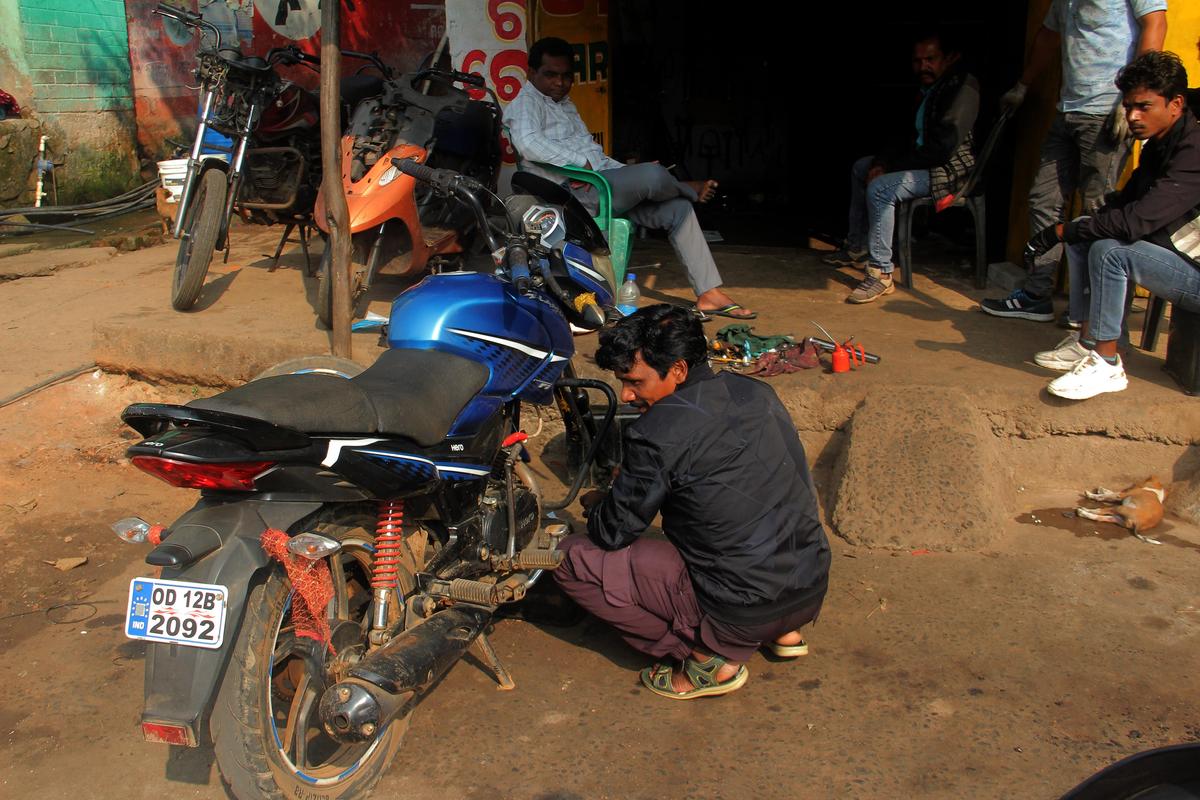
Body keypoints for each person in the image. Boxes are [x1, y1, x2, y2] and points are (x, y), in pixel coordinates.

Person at [553, 304, 831, 699]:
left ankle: (708, 659)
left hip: (742, 607)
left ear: (679, 370)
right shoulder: (754, 391)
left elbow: (614, 533)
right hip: (809, 583)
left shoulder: (656, 431)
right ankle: (783, 631)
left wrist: (604, 503)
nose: (627, 395)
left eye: (634, 382)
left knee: (570, 557)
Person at [504, 37, 756, 320]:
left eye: (565, 76)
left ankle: (709, 293)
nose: (559, 83)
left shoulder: (565, 106)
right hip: (572, 196)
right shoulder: (525, 104)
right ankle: (684, 187)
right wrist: (581, 162)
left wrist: (626, 172)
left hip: (600, 186)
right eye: (550, 75)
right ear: (531, 73)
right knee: (652, 176)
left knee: (677, 209)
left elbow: (596, 157)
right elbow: (527, 143)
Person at [1025, 52, 1200, 400]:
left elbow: (1138, 220)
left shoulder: (1194, 149)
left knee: (1109, 250)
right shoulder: (1159, 144)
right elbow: (1128, 200)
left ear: (1176, 103)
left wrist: (1059, 232)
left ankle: (1107, 364)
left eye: (1144, 107)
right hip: (1178, 255)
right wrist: (1079, 226)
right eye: (1129, 106)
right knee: (1087, 229)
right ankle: (1087, 340)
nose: (1133, 116)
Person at [980, 0, 1167, 324]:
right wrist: (1024, 84)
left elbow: (1155, 24)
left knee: (1096, 209)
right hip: (1067, 109)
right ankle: (1037, 295)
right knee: (1044, 198)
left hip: (1107, 111)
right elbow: (1048, 36)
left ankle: (1089, 310)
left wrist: (1131, 101)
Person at [824, 30, 980, 304]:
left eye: (931, 59)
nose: (924, 67)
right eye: (918, 61)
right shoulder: (926, 91)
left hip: (949, 172)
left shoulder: (961, 88)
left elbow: (941, 150)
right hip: (923, 164)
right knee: (863, 167)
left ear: (949, 58)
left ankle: (881, 273)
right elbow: (901, 136)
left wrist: (889, 169)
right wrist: (881, 162)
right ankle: (857, 247)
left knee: (881, 188)